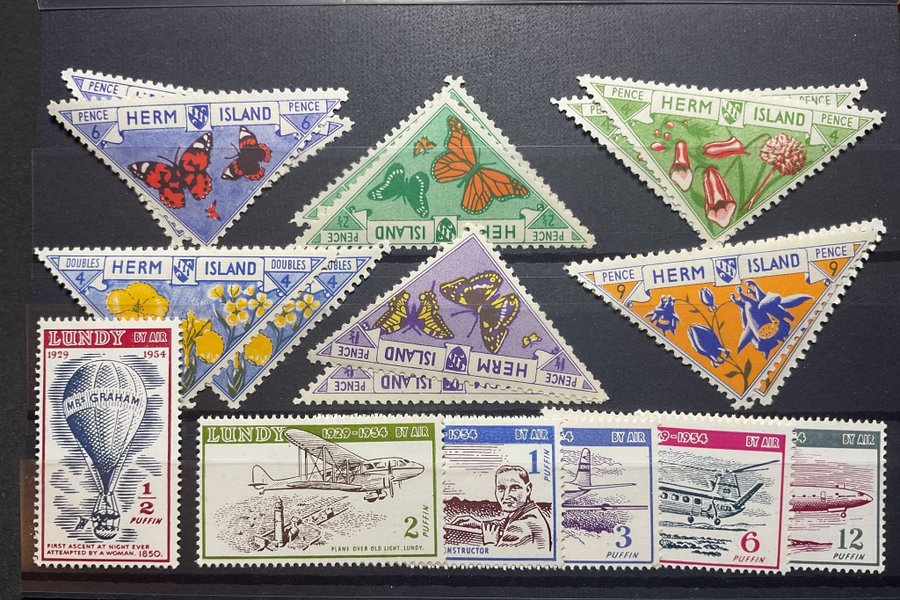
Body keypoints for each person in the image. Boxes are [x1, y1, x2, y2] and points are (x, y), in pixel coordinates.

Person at [451, 465, 552, 551]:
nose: (505, 496)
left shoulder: (519, 527)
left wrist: (490, 542)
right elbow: (504, 523)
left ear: (528, 489)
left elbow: (497, 561)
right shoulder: (529, 513)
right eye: (501, 489)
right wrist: (479, 524)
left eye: (514, 488)